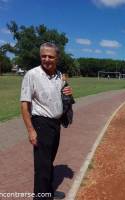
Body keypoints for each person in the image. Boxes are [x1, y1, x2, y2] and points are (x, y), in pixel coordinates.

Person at [20, 42, 72, 199]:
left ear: (57, 58)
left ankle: (47, 191)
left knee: (49, 161)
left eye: (51, 56)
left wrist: (69, 92)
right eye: (44, 56)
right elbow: (24, 104)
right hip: (41, 124)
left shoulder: (60, 75)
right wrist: (30, 130)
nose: (47, 59)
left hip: (55, 124)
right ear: (40, 56)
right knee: (42, 165)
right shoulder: (32, 74)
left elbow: (64, 95)